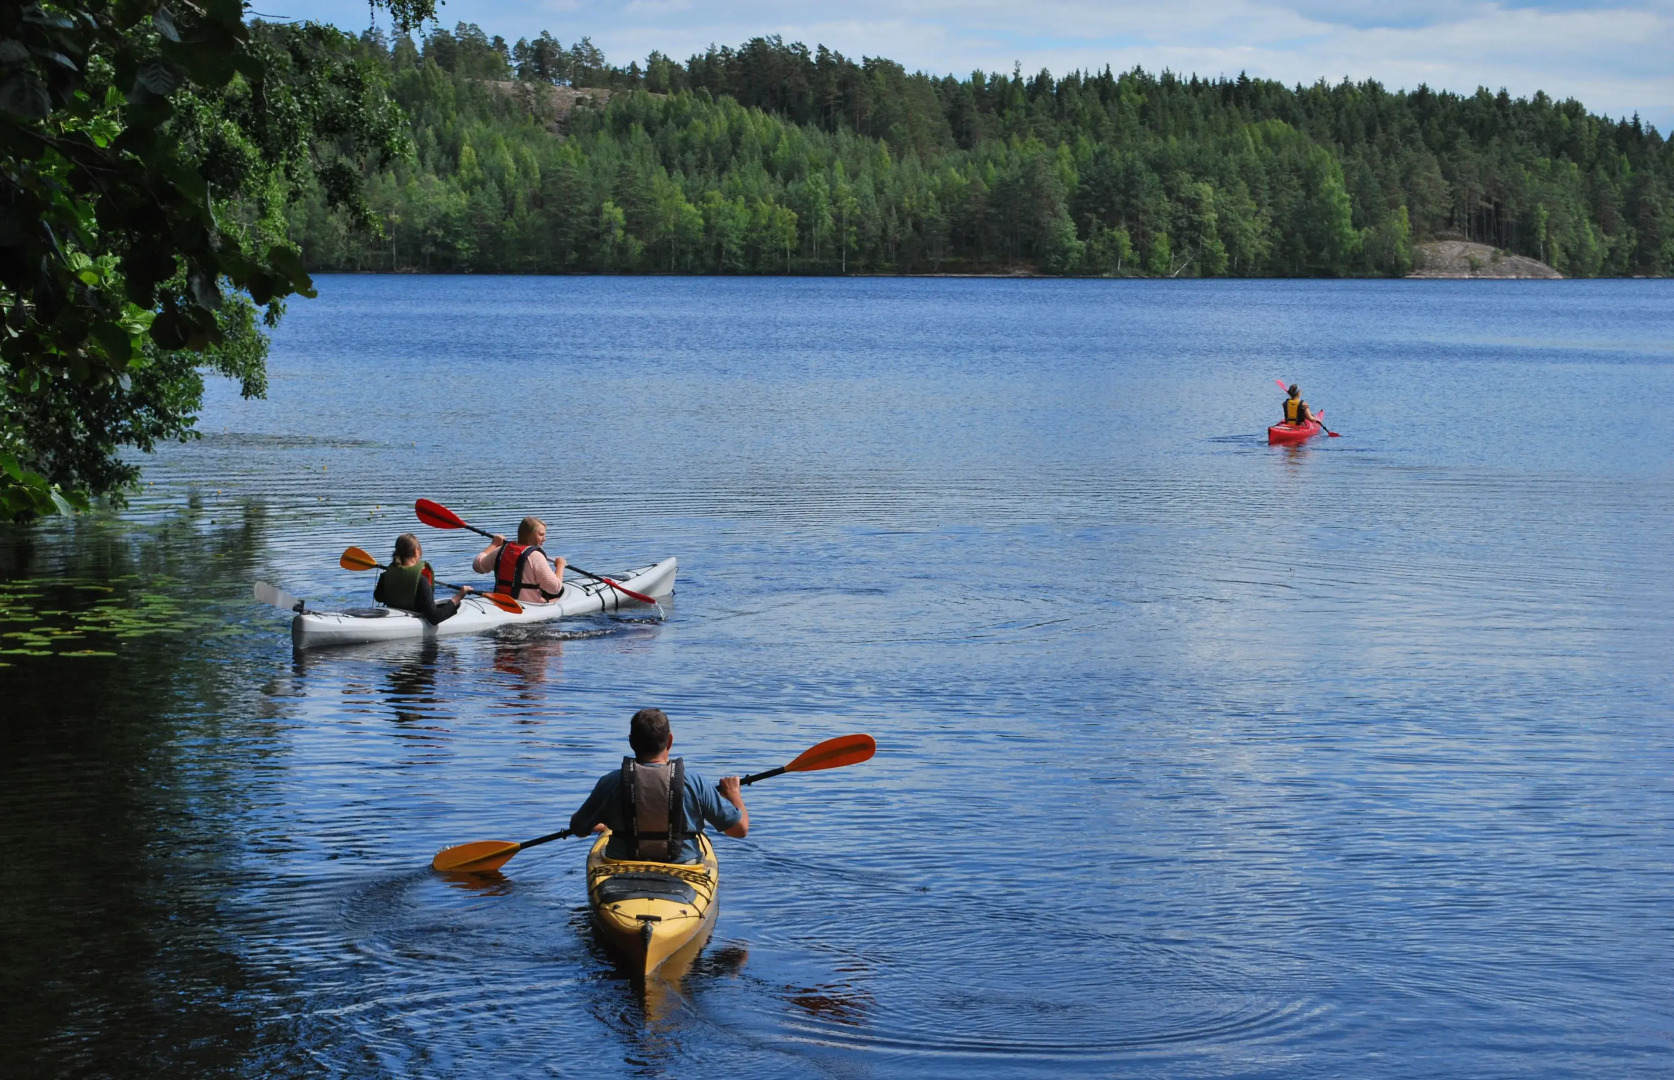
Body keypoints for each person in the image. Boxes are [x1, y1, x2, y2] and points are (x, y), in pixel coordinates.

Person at [569, 708, 748, 864]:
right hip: (684, 865)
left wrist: (605, 821)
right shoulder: (695, 782)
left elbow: (578, 828)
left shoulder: (610, 782)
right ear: (670, 741)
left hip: (621, 865)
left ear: (631, 742)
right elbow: (740, 830)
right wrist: (733, 794)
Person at [374, 533, 471, 625]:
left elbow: (378, 597)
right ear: (416, 551)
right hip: (412, 621)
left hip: (393, 616)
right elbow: (435, 618)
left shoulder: (386, 575)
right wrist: (458, 597)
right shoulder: (421, 580)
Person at [473, 515, 567, 604]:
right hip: (529, 606)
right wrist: (560, 566)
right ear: (530, 536)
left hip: (501, 603)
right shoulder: (536, 556)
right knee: (560, 595)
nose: (544, 539)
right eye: (541, 535)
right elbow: (555, 588)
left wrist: (494, 544)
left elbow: (477, 566)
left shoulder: (501, 551)